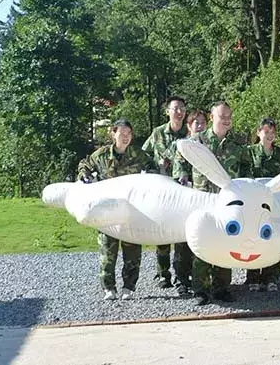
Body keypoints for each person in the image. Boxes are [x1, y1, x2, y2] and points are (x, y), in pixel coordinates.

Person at [172, 101, 247, 305]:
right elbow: (179, 158)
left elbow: (248, 168)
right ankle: (201, 289)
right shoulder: (197, 142)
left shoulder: (238, 144)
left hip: (227, 203)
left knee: (225, 243)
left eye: (229, 116)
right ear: (212, 117)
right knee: (203, 245)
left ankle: (221, 287)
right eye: (222, 116)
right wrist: (182, 174)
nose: (226, 119)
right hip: (202, 200)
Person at [76, 119, 154, 301]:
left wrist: (150, 177)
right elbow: (84, 165)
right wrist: (85, 176)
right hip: (107, 213)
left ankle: (129, 287)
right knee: (107, 252)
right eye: (122, 133)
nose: (126, 137)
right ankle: (109, 288)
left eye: (129, 134)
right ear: (113, 133)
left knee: (132, 252)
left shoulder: (138, 155)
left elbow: (152, 167)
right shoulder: (101, 155)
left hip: (131, 212)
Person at [141, 96, 188, 289]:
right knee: (162, 234)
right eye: (175, 108)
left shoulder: (190, 132)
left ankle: (182, 274)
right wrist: (154, 169)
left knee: (180, 234)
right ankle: (162, 273)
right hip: (162, 191)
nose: (179, 112)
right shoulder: (158, 133)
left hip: (183, 191)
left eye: (182, 108)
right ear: (167, 111)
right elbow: (144, 156)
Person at [240, 118, 280, 292]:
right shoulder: (248, 152)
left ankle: (271, 277)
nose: (269, 135)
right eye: (266, 131)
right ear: (258, 132)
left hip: (275, 203)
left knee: (274, 237)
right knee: (254, 237)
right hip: (254, 204)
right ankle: (252, 277)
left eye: (272, 132)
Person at [165, 108, 208, 297]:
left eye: (203, 122)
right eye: (196, 123)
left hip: (206, 200)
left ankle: (203, 280)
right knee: (183, 243)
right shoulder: (184, 146)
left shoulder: (209, 145)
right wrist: (183, 176)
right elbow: (179, 167)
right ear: (189, 126)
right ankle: (181, 280)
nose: (200, 126)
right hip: (187, 201)